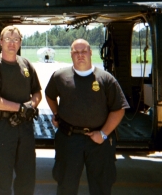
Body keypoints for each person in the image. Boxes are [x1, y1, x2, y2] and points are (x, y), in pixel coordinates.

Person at [45, 39, 130, 195]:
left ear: (91, 52)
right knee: (66, 186)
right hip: (69, 140)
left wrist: (103, 134)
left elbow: (119, 109)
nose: (80, 55)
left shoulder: (106, 79)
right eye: (76, 52)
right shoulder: (60, 76)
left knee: (101, 187)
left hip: (98, 141)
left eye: (84, 51)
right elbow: (49, 95)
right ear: (71, 54)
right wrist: (57, 114)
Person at [0, 25, 42, 195]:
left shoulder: (26, 64)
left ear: (20, 42)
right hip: (1, 129)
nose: (12, 43)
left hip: (25, 130)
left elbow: (37, 92)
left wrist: (31, 106)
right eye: (8, 39)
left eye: (16, 40)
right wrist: (21, 108)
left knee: (27, 178)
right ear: (1, 41)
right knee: (1, 181)